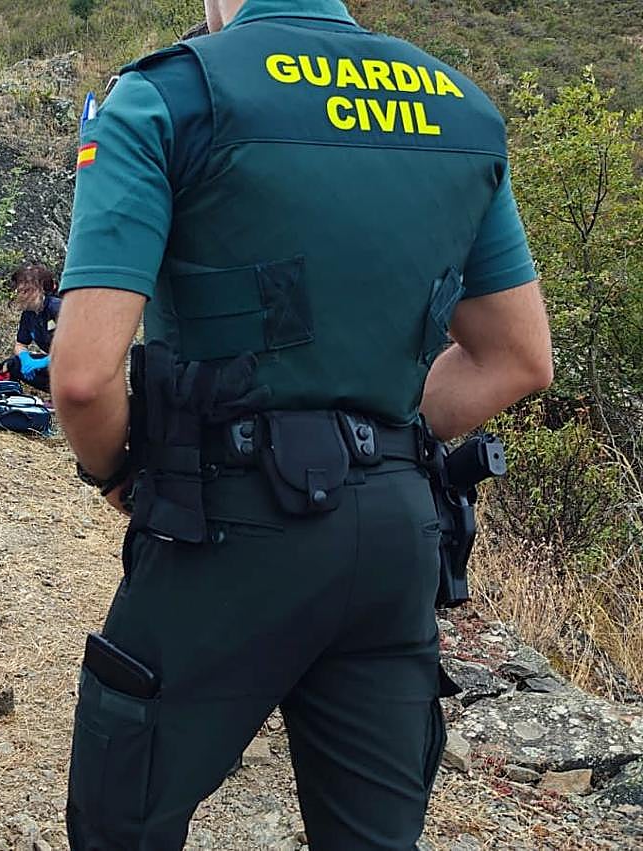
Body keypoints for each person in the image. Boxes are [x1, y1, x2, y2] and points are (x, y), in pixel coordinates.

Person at [50, 1, 554, 848]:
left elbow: (81, 378)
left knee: (121, 821)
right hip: (398, 536)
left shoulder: (171, 94)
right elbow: (518, 357)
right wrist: (377, 441)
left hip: (226, 528)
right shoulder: (461, 110)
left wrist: (118, 472)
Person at [3, 264, 61, 391]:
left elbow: (74, 348)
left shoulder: (57, 308)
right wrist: (25, 359)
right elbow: (20, 344)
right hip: (54, 364)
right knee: (14, 364)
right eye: (19, 291)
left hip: (74, 364)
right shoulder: (29, 314)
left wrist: (43, 362)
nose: (21, 295)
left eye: (26, 290)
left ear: (40, 290)